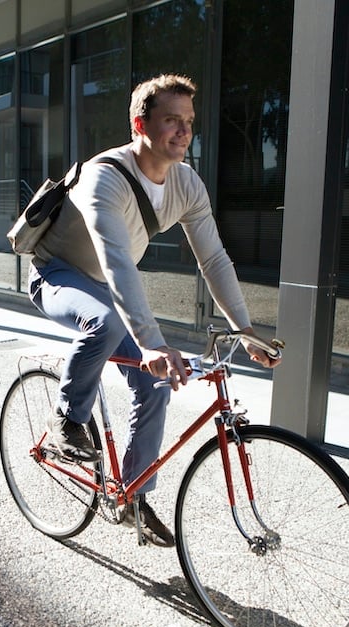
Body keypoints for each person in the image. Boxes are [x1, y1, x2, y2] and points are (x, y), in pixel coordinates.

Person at [28, 74, 280, 547]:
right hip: (57, 275)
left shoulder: (187, 183)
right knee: (102, 322)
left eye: (188, 122)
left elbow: (214, 260)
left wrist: (245, 331)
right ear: (140, 123)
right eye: (171, 121)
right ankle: (66, 418)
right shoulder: (105, 177)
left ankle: (132, 497)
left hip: (106, 285)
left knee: (154, 385)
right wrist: (151, 342)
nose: (184, 132)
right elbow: (117, 261)